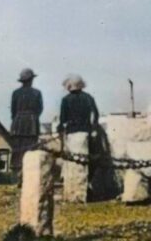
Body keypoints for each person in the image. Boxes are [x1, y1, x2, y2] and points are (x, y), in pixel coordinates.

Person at [57, 74, 99, 203]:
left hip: (71, 133)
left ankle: (71, 194)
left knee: (71, 164)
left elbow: (62, 119)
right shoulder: (88, 98)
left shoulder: (66, 100)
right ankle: (82, 194)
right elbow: (95, 115)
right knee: (83, 163)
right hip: (85, 133)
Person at [10, 68, 43, 172]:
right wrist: (32, 117)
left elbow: (13, 110)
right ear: (31, 80)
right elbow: (40, 109)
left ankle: (17, 170)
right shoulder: (37, 93)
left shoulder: (16, 93)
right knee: (31, 147)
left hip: (18, 123)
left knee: (18, 147)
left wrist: (17, 119)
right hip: (32, 123)